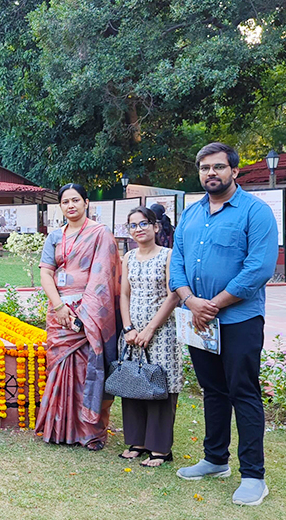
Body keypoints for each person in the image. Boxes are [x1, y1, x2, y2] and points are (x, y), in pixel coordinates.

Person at [170, 142, 278, 506]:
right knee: (212, 390)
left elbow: (259, 270)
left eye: (218, 167)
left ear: (234, 170)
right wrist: (190, 301)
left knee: (242, 392)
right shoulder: (191, 213)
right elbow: (178, 263)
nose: (210, 174)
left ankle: (253, 475)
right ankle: (215, 459)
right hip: (197, 320)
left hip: (239, 319)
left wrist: (212, 305)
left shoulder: (255, 212)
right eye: (204, 168)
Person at [35, 183, 121, 450]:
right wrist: (59, 306)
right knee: (60, 367)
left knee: (88, 370)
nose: (70, 206)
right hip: (59, 312)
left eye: (75, 200)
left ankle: (88, 431)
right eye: (65, 202)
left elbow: (104, 276)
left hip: (90, 311)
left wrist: (85, 313)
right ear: (60, 206)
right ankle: (60, 428)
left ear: (86, 203)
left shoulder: (100, 234)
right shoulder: (54, 237)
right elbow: (46, 273)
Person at [117, 206, 181, 467]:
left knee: (159, 385)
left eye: (144, 223)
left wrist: (150, 329)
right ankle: (137, 442)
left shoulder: (168, 256)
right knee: (133, 382)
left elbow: (173, 295)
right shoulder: (129, 257)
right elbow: (124, 295)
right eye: (133, 225)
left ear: (156, 227)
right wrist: (128, 328)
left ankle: (160, 449)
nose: (139, 228)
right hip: (132, 333)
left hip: (161, 331)